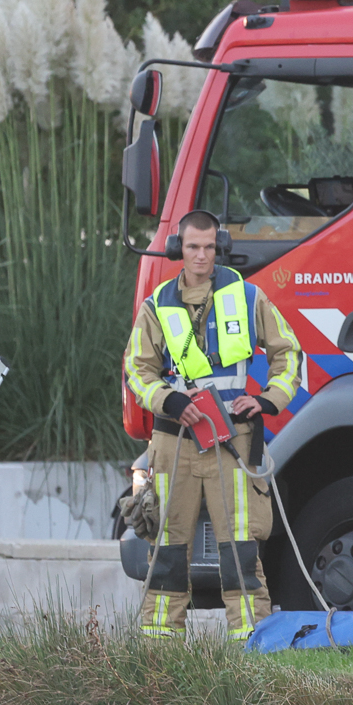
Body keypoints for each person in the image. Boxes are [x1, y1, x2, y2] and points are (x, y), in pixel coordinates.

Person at [122, 210, 303, 639]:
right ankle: (159, 655)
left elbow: (290, 354)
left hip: (233, 439)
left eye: (208, 247)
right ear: (178, 250)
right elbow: (135, 370)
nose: (201, 256)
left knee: (241, 549)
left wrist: (265, 400)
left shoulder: (247, 296)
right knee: (166, 549)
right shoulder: (157, 304)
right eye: (192, 247)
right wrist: (169, 399)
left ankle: (252, 649)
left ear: (218, 247)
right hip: (175, 438)